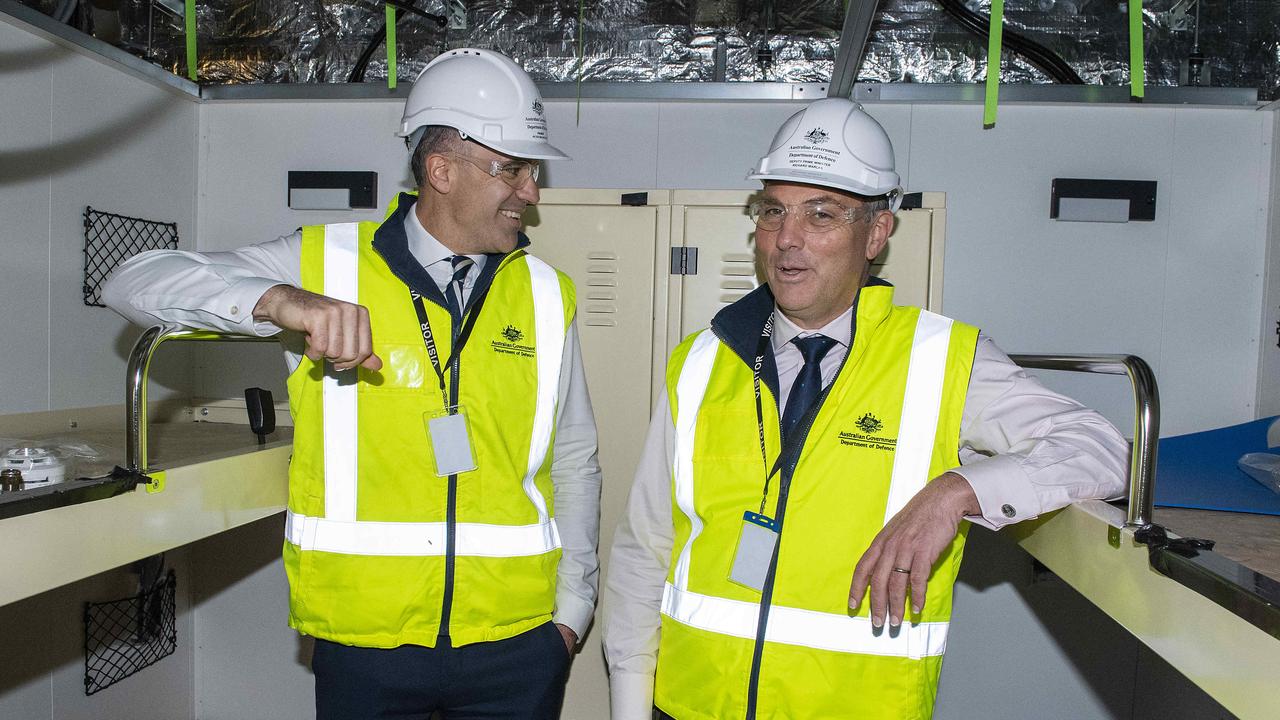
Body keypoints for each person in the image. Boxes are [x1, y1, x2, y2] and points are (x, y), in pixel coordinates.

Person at [103, 48, 602, 719]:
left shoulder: (546, 294)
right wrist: (281, 300)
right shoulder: (326, 264)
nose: (531, 192)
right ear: (441, 169)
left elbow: (573, 458)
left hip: (516, 647)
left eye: (532, 171)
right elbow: (134, 281)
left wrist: (571, 612)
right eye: (511, 168)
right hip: (366, 647)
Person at [601, 97, 1128, 720]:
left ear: (877, 233)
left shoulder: (939, 359)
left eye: (822, 214)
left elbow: (1101, 447)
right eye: (773, 211)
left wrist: (958, 489)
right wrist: (631, 707)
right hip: (687, 708)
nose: (787, 240)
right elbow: (647, 545)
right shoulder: (701, 361)